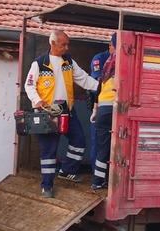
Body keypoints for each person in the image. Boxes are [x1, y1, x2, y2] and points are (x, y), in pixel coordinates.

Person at [23, 30, 100, 197]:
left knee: (79, 141)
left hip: (67, 111)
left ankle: (67, 170)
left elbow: (84, 79)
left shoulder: (69, 62)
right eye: (63, 44)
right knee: (49, 151)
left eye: (67, 44)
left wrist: (102, 87)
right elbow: (29, 86)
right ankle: (47, 186)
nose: (66, 47)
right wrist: (37, 100)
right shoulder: (39, 63)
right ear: (52, 43)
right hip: (47, 113)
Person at [91, 34, 117, 190]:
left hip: (102, 110)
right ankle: (113, 182)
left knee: (103, 148)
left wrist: (95, 110)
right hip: (115, 111)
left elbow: (98, 88)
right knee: (117, 148)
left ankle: (97, 182)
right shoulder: (121, 65)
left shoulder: (107, 66)